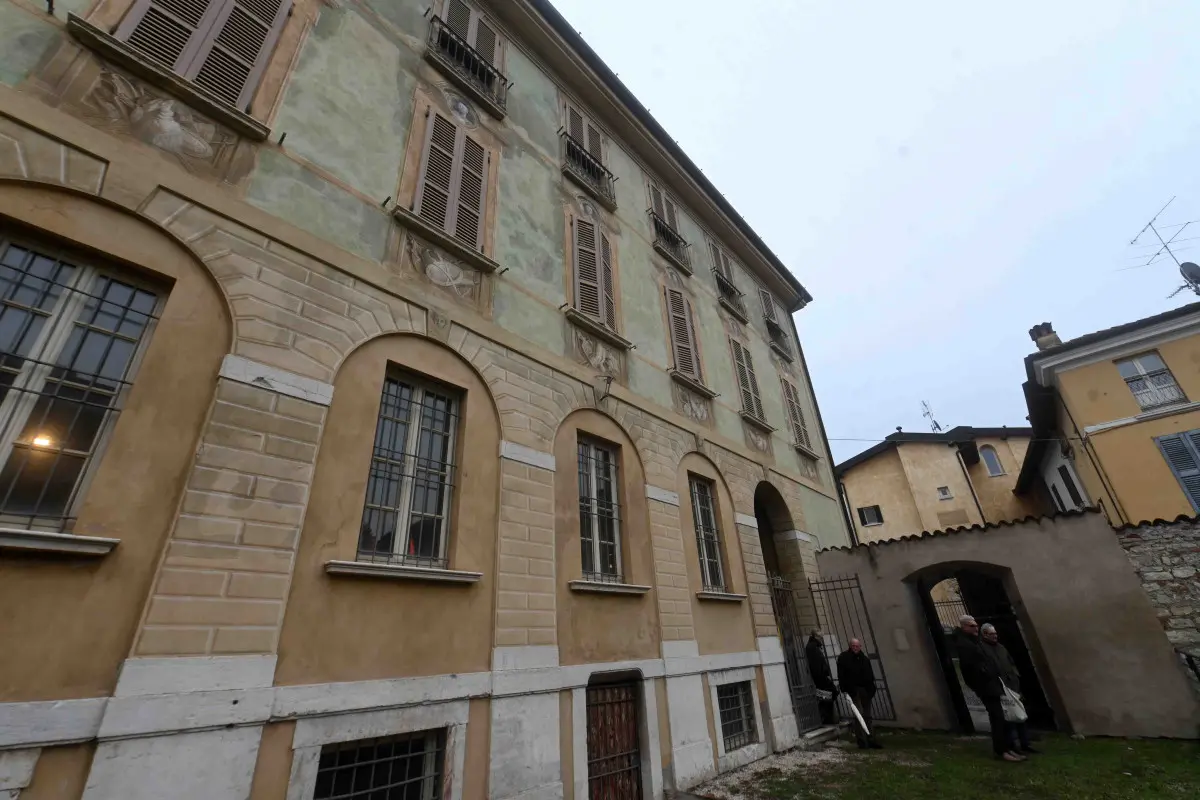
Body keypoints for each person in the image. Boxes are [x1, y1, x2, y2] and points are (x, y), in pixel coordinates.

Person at [955, 615, 1025, 762]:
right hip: (987, 687)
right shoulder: (965, 645)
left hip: (994, 684)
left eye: (976, 625)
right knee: (998, 718)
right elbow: (969, 669)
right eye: (972, 626)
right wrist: (982, 681)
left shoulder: (975, 642)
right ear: (964, 627)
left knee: (1002, 717)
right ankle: (1002, 751)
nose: (976, 628)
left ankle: (1008, 748)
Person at [981, 623, 1038, 755]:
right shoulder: (982, 649)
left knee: (1020, 715)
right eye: (991, 634)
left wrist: (1015, 677)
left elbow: (1010, 663)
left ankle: (1025, 743)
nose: (995, 636)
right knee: (1008, 717)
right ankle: (1012, 745)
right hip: (1001, 687)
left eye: (995, 633)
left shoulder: (1001, 647)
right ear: (984, 634)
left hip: (1013, 686)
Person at [837, 638, 882, 748]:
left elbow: (870, 675)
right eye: (853, 646)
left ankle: (870, 738)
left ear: (860, 646)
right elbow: (841, 675)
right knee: (859, 715)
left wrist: (871, 689)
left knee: (867, 715)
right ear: (850, 646)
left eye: (857, 646)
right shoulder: (844, 658)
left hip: (865, 690)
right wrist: (845, 689)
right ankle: (862, 740)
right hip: (853, 690)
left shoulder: (864, 659)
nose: (855, 648)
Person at [805, 630, 837, 725]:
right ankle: (825, 718)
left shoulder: (815, 646)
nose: (822, 638)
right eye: (820, 636)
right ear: (816, 636)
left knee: (828, 695)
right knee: (829, 694)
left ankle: (827, 718)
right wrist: (824, 674)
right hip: (820, 676)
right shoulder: (812, 647)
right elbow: (817, 664)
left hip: (821, 676)